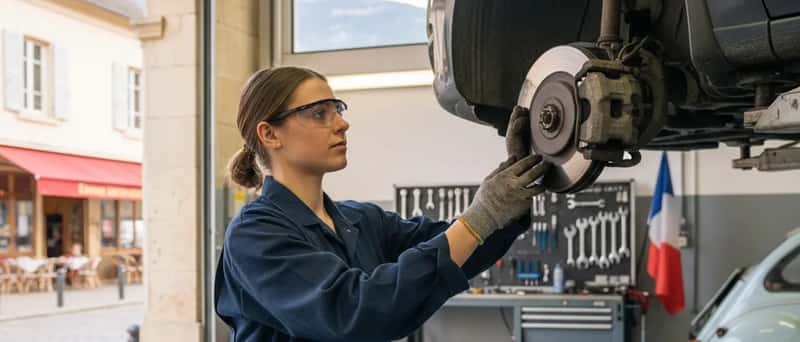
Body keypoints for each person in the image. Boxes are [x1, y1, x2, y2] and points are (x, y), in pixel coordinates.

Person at [214, 66, 549, 342]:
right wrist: (481, 216)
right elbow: (352, 314)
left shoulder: (361, 220)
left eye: (337, 110)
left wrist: (517, 179)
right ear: (270, 135)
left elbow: (457, 250)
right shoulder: (255, 235)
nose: (342, 123)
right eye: (319, 113)